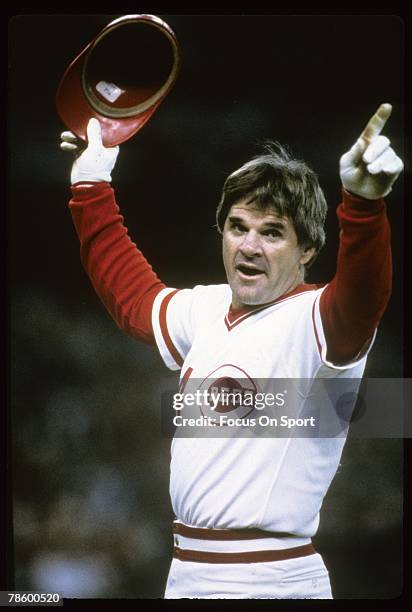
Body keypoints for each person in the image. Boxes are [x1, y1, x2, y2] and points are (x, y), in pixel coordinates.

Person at [60, 104, 403, 599]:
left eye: (272, 233)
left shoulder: (318, 319)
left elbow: (364, 294)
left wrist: (365, 206)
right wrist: (91, 188)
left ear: (307, 250)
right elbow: (133, 299)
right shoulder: (207, 308)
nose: (250, 245)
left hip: (270, 578)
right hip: (187, 572)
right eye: (238, 226)